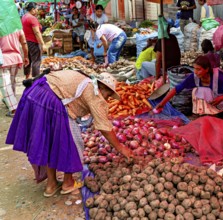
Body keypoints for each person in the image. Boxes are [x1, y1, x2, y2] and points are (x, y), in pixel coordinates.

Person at [6, 70, 134, 197]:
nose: (107, 99)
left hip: (37, 93)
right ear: (102, 87)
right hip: (50, 100)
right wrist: (121, 148)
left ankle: (51, 185)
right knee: (73, 142)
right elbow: (104, 128)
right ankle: (68, 182)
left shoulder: (86, 81)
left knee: (49, 142)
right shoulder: (94, 93)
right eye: (108, 95)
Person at [154, 55, 223, 115]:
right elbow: (176, 89)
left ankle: (219, 111)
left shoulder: (218, 78)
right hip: (215, 99)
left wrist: (221, 98)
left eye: (198, 69)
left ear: (206, 69)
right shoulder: (194, 77)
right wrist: (162, 104)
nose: (195, 72)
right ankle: (209, 112)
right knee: (197, 91)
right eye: (195, 68)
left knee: (203, 90)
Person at [0, 31, 29, 118]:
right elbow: (24, 42)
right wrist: (26, 56)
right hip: (16, 58)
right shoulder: (17, 27)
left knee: (5, 85)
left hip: (3, 59)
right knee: (11, 82)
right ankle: (10, 102)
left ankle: (14, 109)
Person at [22, 2, 46, 79]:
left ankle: (27, 77)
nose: (37, 10)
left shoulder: (24, 17)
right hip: (33, 42)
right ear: (32, 9)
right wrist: (42, 44)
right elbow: (36, 32)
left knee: (27, 59)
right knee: (36, 61)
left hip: (26, 42)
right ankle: (36, 80)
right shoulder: (32, 18)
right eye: (36, 9)